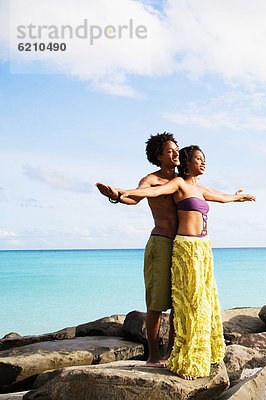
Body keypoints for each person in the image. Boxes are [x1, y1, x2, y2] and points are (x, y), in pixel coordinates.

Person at [118, 145, 255, 379]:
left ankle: (193, 352)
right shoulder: (178, 183)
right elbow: (151, 192)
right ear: (187, 162)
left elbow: (220, 197)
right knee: (188, 302)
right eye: (199, 159)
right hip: (186, 247)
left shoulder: (198, 186)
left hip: (204, 248)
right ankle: (182, 359)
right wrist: (122, 193)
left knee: (203, 301)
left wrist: (238, 197)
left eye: (204, 159)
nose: (203, 163)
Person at [95, 132, 179, 367]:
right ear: (158, 156)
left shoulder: (182, 178)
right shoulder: (151, 179)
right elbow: (137, 197)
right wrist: (118, 196)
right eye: (170, 151)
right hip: (161, 243)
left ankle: (170, 354)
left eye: (176, 149)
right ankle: (153, 355)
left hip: (182, 246)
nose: (175, 153)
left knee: (178, 304)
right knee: (155, 303)